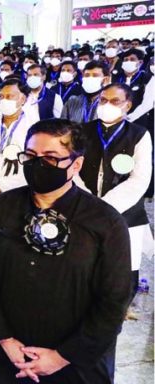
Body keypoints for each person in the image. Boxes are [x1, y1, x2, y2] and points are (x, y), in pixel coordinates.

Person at [0, 119, 133, 383]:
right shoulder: (2, 207)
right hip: (8, 352)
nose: (38, 165)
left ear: (76, 164)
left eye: (50, 158)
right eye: (31, 156)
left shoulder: (105, 222)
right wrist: (3, 337)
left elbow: (113, 301)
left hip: (75, 362)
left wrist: (62, 356)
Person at [77, 83, 152, 301]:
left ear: (127, 105)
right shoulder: (84, 130)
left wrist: (106, 206)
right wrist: (89, 201)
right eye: (103, 100)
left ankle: (119, 310)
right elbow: (73, 169)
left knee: (124, 267)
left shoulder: (139, 134)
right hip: (86, 207)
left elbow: (139, 179)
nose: (107, 105)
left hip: (125, 212)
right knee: (87, 261)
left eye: (115, 101)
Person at [0, 78, 39, 218]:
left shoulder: (33, 128)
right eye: (2, 96)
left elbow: (32, 165)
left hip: (16, 189)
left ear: (22, 99)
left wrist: (1, 185)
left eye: (10, 96)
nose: (5, 100)